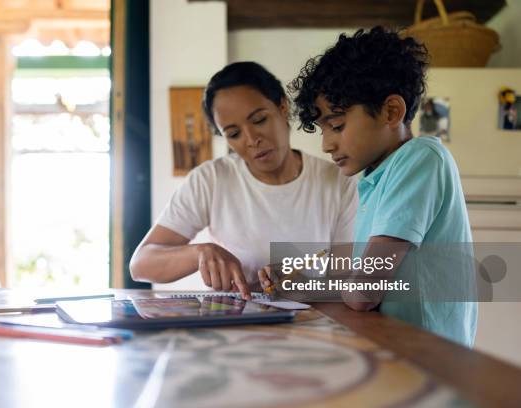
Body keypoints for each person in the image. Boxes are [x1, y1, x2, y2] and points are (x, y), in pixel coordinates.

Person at [262, 27, 476, 346]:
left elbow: (363, 291)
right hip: (399, 347)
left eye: (336, 126)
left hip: (430, 357)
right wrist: (298, 280)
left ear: (391, 111)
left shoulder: (421, 159)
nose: (326, 144)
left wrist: (313, 285)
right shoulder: (375, 178)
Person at [130, 61, 358, 299]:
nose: (251, 139)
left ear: (282, 107)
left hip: (316, 326)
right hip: (239, 327)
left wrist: (300, 284)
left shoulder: (339, 182)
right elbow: (141, 264)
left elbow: (350, 281)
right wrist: (200, 253)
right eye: (234, 134)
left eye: (259, 120)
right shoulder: (211, 180)